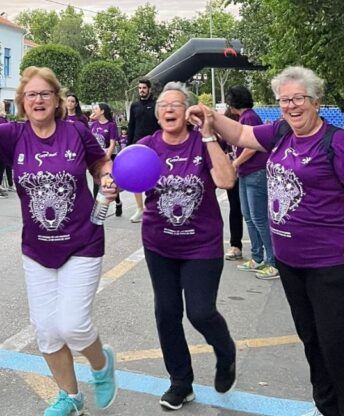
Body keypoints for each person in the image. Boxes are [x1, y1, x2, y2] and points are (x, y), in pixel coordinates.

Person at [187, 66, 344, 416]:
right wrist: (209, 116)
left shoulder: (335, 141)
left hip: (335, 264)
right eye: (284, 100)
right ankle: (327, 407)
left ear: (316, 102)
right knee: (312, 342)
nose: (291, 106)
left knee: (338, 346)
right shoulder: (280, 132)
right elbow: (242, 133)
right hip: (292, 263)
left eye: (298, 99)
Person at [0, 66, 118, 416]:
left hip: (82, 242)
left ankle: (102, 365)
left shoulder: (76, 132)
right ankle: (70, 397)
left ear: (57, 100)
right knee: (46, 332)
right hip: (38, 249)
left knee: (73, 324)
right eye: (31, 95)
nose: (38, 100)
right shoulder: (13, 134)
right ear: (22, 102)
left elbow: (100, 162)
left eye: (45, 94)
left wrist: (107, 178)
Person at [138, 82, 237, 411]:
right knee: (166, 313)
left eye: (176, 104)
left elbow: (226, 180)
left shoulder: (203, 143)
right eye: (163, 105)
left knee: (201, 311)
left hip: (201, 245)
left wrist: (208, 134)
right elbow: (123, 178)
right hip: (158, 244)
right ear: (156, 113)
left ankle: (226, 354)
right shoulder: (147, 147)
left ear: (188, 111)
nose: (169, 109)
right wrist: (110, 181)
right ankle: (181, 383)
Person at [225, 86, 278, 279]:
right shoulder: (244, 118)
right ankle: (257, 257)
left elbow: (252, 146)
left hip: (255, 172)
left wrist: (236, 163)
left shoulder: (249, 118)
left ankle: (272, 261)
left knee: (259, 218)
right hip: (246, 173)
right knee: (248, 216)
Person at [127, 78, 160, 223]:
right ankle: (140, 208)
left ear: (149, 89)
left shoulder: (156, 105)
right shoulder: (134, 105)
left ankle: (155, 207)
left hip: (154, 145)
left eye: (144, 88)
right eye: (139, 88)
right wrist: (128, 145)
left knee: (155, 177)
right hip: (137, 145)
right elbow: (131, 126)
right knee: (136, 177)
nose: (141, 90)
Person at [90, 102, 122, 216]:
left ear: (102, 111)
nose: (94, 110)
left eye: (96, 108)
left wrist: (106, 159)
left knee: (110, 183)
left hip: (108, 157)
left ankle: (118, 203)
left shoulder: (111, 125)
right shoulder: (93, 125)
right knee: (96, 183)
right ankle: (97, 210)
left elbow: (113, 143)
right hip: (96, 158)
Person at [221, 108, 244, 262]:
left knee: (253, 216)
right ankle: (235, 245)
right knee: (235, 209)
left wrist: (236, 163)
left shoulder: (247, 126)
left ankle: (265, 252)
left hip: (248, 173)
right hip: (234, 175)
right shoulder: (225, 136)